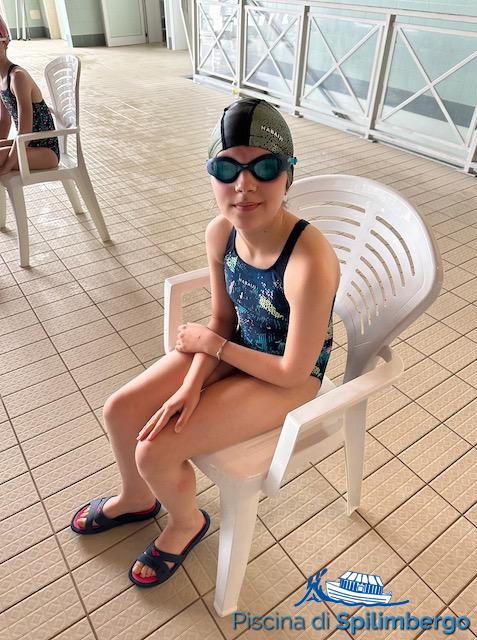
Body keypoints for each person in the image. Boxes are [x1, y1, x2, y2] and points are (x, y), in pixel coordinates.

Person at [71, 98, 340, 588]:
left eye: (265, 167)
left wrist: (211, 353)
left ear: (288, 175)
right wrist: (192, 384)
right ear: (211, 175)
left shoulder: (309, 261)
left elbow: (292, 372)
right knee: (120, 410)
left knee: (154, 451)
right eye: (227, 168)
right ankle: (137, 498)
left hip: (288, 377)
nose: (244, 185)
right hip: (235, 347)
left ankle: (186, 521)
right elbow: (222, 320)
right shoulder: (221, 233)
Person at [0, 15, 59, 176]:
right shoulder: (1, 78)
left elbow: (25, 129)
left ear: (5, 43)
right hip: (27, 144)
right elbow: (4, 121)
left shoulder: (17, 77)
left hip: (46, 152)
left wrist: (6, 166)